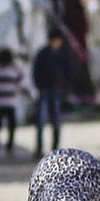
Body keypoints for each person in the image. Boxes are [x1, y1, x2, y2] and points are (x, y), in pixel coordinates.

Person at [30, 27, 71, 157]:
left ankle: (55, 147)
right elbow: (36, 71)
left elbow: (68, 71)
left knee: (56, 121)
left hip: (56, 89)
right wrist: (39, 85)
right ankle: (39, 148)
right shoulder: (43, 53)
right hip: (45, 89)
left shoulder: (63, 54)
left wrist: (65, 86)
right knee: (41, 121)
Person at [0, 46, 30, 156]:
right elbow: (21, 84)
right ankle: (9, 145)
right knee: (11, 124)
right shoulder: (14, 71)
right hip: (10, 102)